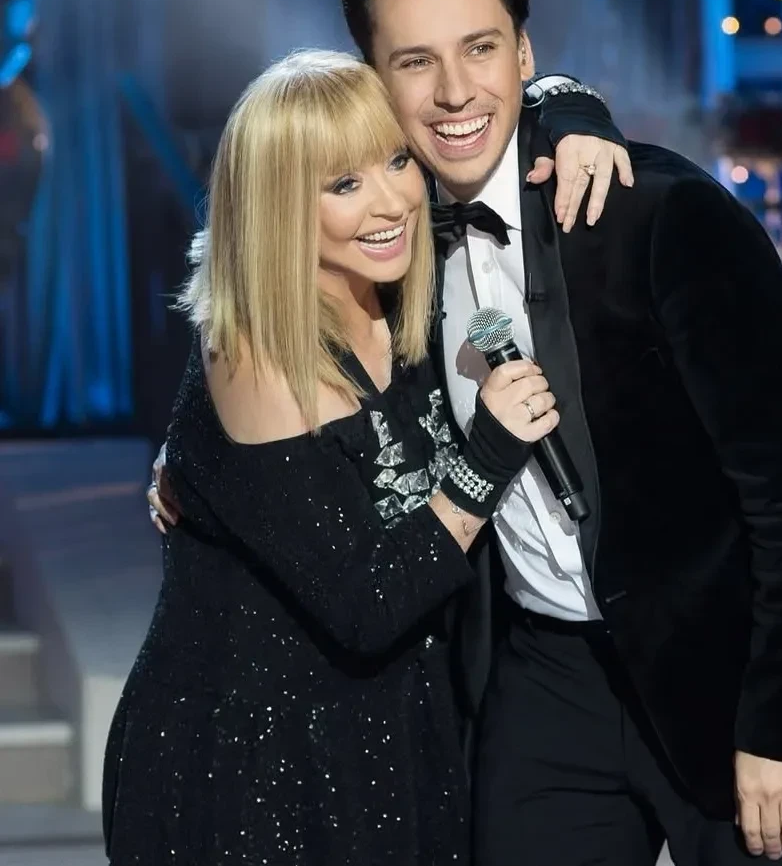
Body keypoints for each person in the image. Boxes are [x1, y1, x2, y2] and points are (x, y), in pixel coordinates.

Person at [331, 0, 782, 866]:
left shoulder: (661, 215)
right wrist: (197, 463)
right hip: (546, 673)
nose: (453, 91)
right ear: (374, 80)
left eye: (479, 48)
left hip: (732, 660)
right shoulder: (393, 247)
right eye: (414, 62)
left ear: (523, 54)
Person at [103, 49, 608, 865]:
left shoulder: (403, 290)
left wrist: (573, 108)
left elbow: (500, 105)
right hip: (257, 768)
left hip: (393, 734)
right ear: (276, 206)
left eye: (397, 161)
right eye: (344, 183)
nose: (392, 200)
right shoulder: (257, 356)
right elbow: (368, 604)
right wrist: (487, 455)